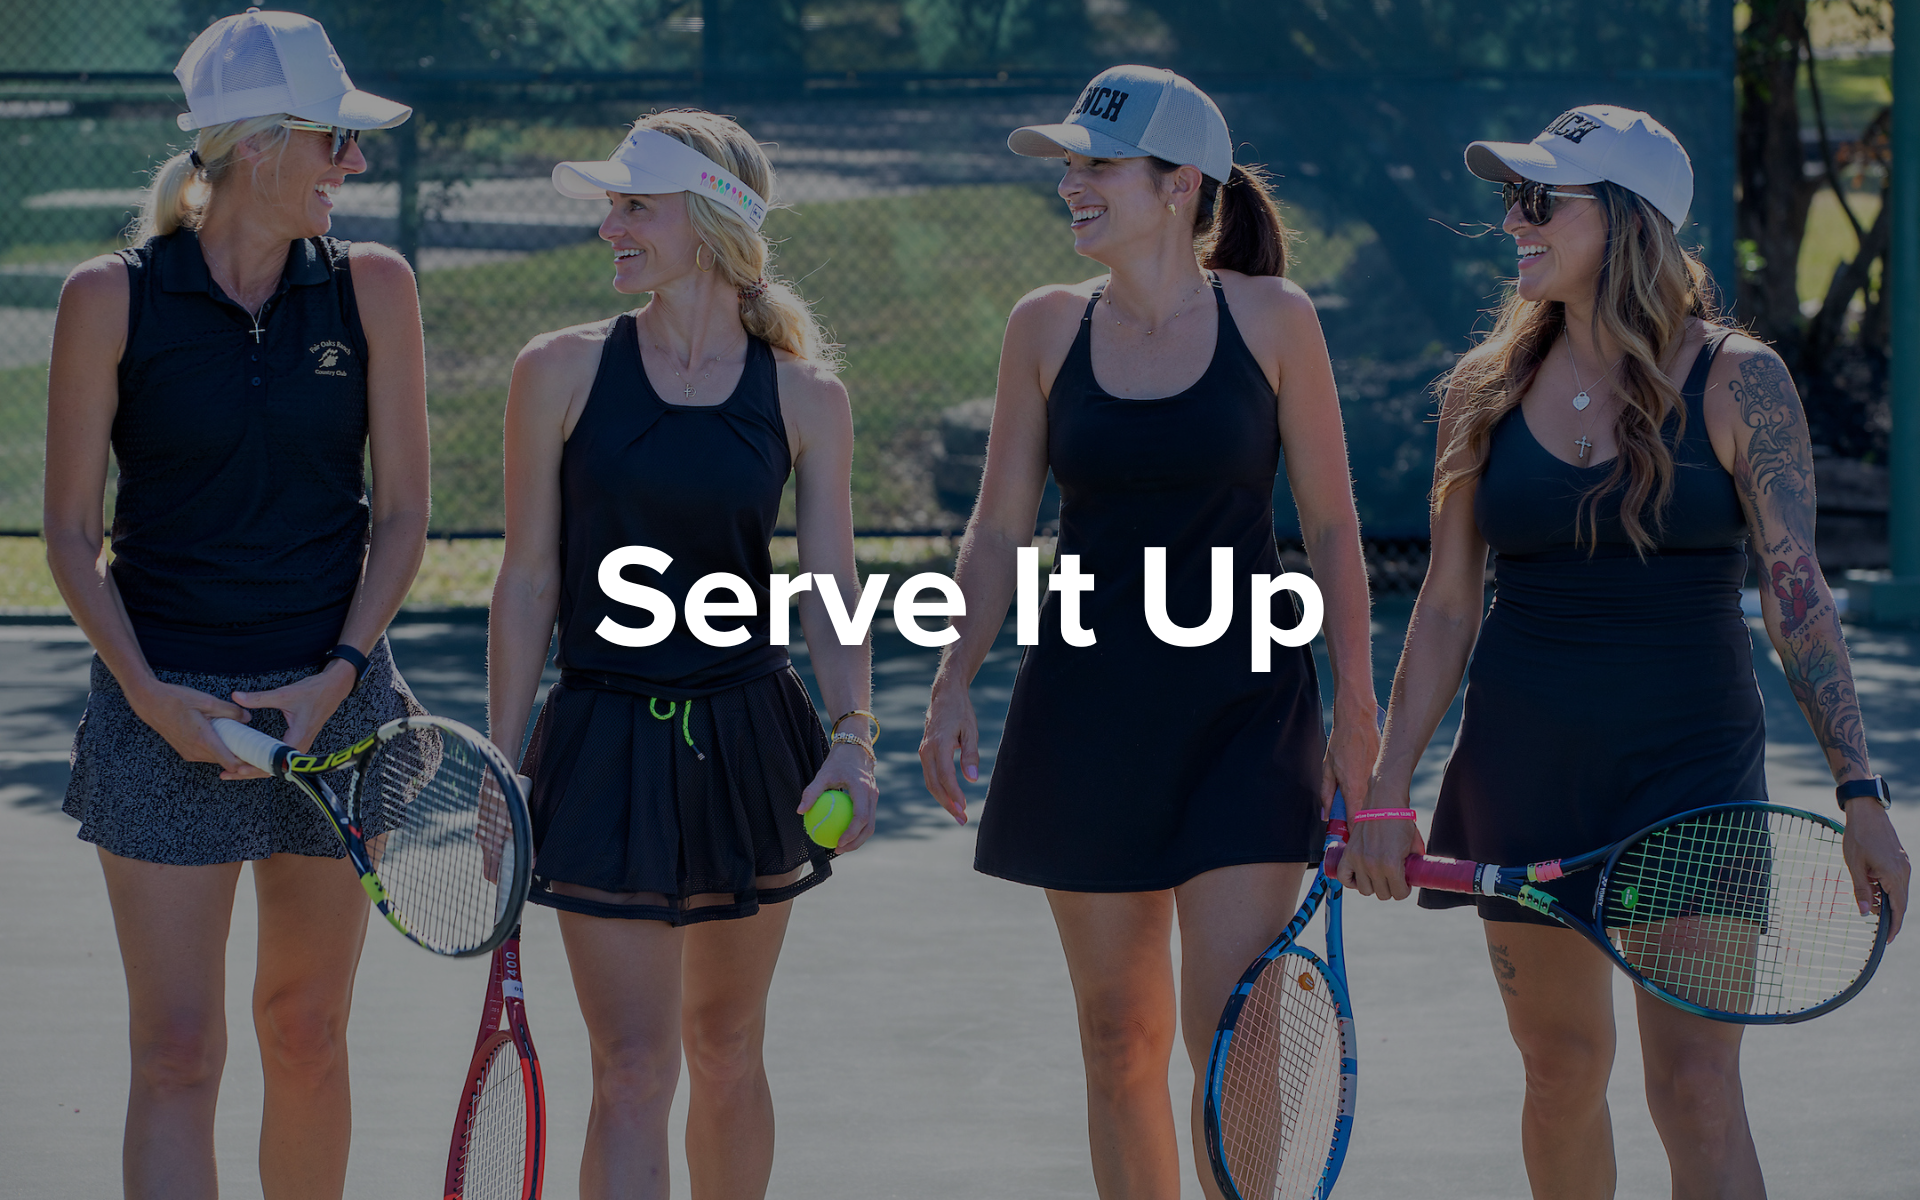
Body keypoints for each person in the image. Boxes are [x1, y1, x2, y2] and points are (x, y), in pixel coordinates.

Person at [1340, 105, 1911, 1197]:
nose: (1515, 219)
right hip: (1525, 771)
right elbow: (1448, 608)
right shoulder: (1480, 389)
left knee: (1696, 1089)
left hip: (1690, 776)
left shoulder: (1741, 380)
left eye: (1540, 199)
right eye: (1512, 197)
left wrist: (1861, 791)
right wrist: (1385, 787)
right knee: (1559, 1075)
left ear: (1628, 220)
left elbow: (1797, 595)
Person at [919, 65, 1378, 1199]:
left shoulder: (1275, 319)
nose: (1071, 182)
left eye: (1097, 165)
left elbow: (1331, 525)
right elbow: (998, 527)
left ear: (1180, 185)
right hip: (1085, 717)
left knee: (1235, 1035)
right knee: (1118, 1036)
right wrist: (951, 680)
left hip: (1247, 715)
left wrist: (1359, 713)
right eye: (1068, 164)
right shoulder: (1042, 328)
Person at [42, 10, 427, 1196]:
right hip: (163, 709)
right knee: (176, 1053)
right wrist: (153, 699)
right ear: (256, 146)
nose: (351, 162)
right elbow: (70, 535)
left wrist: (338, 678)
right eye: (332, 139)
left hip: (331, 706)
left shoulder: (373, 287)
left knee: (305, 1031)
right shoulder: (109, 298)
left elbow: (404, 517)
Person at [487, 110, 876, 1200]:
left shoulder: (806, 397)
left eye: (634, 206)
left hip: (752, 746)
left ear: (710, 223)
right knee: (630, 1067)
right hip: (604, 741)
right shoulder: (556, 372)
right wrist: (500, 764)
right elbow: (527, 581)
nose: (609, 226)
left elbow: (830, 583)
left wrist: (853, 737)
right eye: (611, 205)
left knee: (725, 1047)